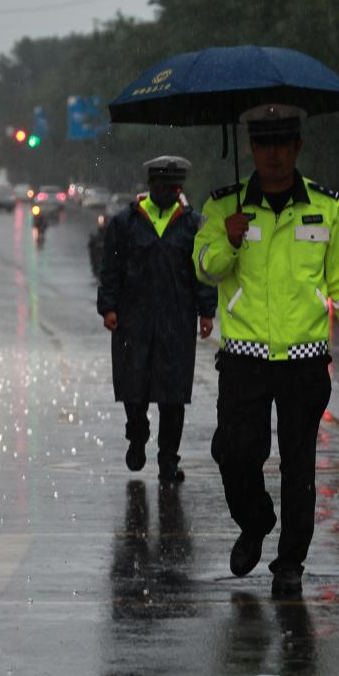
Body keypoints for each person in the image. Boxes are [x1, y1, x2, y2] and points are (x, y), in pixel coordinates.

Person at [193, 103, 339, 597]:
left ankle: (290, 560)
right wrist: (228, 240)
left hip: (304, 360)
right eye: (262, 144)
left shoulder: (326, 207)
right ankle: (254, 523)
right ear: (250, 148)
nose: (272, 154)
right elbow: (204, 267)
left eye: (281, 143)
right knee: (235, 453)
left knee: (299, 465)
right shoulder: (222, 207)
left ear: (297, 146)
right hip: (243, 358)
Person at [98, 156, 217, 483]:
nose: (167, 191)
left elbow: (203, 272)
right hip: (132, 320)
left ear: (180, 188)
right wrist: (108, 307)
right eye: (161, 185)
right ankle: (137, 434)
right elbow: (110, 269)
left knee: (173, 395)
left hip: (177, 321)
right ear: (150, 185)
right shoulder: (125, 223)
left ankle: (168, 460)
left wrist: (207, 311)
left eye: (173, 187)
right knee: (133, 387)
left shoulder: (193, 224)